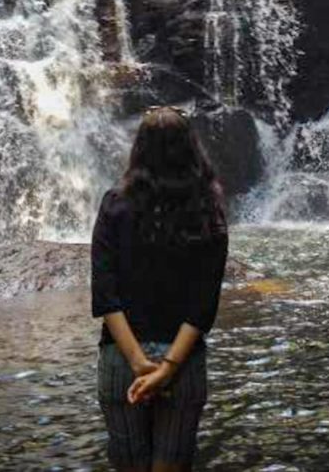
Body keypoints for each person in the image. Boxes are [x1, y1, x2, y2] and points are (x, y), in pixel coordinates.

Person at [92, 106, 229, 472]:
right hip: (183, 363)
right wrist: (167, 369)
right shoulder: (207, 210)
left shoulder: (113, 204)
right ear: (191, 149)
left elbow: (105, 295)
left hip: (122, 362)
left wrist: (138, 362)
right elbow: (203, 305)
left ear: (138, 149)